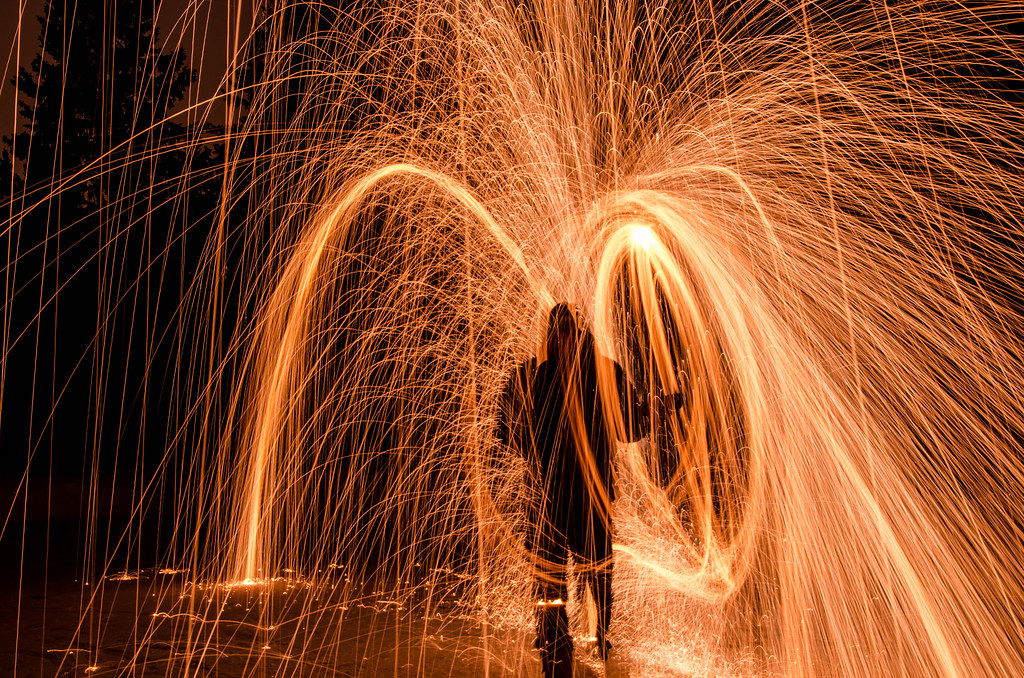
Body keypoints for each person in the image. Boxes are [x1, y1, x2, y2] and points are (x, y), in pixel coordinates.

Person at [497, 302, 649, 677]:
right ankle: (568, 639)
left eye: (565, 332)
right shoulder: (599, 373)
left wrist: (650, 409)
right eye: (562, 332)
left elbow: (506, 432)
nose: (563, 339)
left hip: (564, 502)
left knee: (583, 576)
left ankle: (580, 638)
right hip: (574, 502)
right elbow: (633, 427)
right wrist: (651, 408)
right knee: (577, 577)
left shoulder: (538, 376)